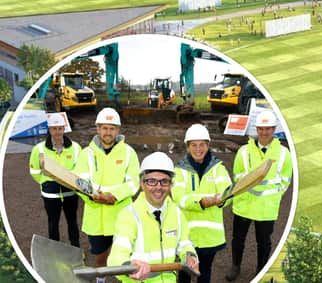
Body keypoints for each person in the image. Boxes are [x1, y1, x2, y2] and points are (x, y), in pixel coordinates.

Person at [108, 152, 199, 282]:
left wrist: (189, 255)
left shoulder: (176, 213)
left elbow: (184, 243)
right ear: (142, 183)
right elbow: (117, 256)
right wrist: (129, 266)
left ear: (171, 184)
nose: (158, 187)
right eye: (152, 181)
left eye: (164, 181)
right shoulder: (128, 215)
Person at [226, 110, 293, 281]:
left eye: (268, 129)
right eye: (261, 128)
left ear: (273, 129)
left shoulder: (284, 154)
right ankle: (235, 267)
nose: (264, 132)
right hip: (244, 204)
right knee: (238, 239)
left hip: (266, 207)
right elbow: (237, 175)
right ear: (256, 129)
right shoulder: (243, 151)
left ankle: (260, 269)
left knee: (264, 242)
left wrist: (275, 196)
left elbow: (285, 180)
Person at [75, 108, 140, 281]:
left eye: (112, 128)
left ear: (118, 130)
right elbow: (80, 183)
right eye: (104, 128)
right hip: (96, 217)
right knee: (100, 257)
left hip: (121, 216)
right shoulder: (86, 154)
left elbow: (134, 182)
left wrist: (114, 196)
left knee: (125, 255)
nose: (108, 132)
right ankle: (100, 280)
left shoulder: (128, 153)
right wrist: (94, 196)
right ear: (98, 129)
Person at [172, 124, 232, 283]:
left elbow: (228, 193)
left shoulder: (218, 169)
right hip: (186, 236)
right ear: (188, 146)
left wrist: (221, 201)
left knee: (204, 273)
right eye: (194, 145)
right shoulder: (179, 170)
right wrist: (202, 202)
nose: (198, 149)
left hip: (209, 237)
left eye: (202, 145)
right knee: (184, 274)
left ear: (208, 145)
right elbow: (178, 197)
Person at [29, 113, 81, 247]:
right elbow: (34, 171)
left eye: (60, 128)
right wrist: (45, 182)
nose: (57, 132)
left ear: (64, 128)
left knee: (72, 221)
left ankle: (76, 249)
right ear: (50, 129)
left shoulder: (75, 148)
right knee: (53, 222)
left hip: (70, 192)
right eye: (54, 129)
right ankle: (55, 251)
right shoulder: (39, 149)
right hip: (50, 194)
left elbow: (81, 169)